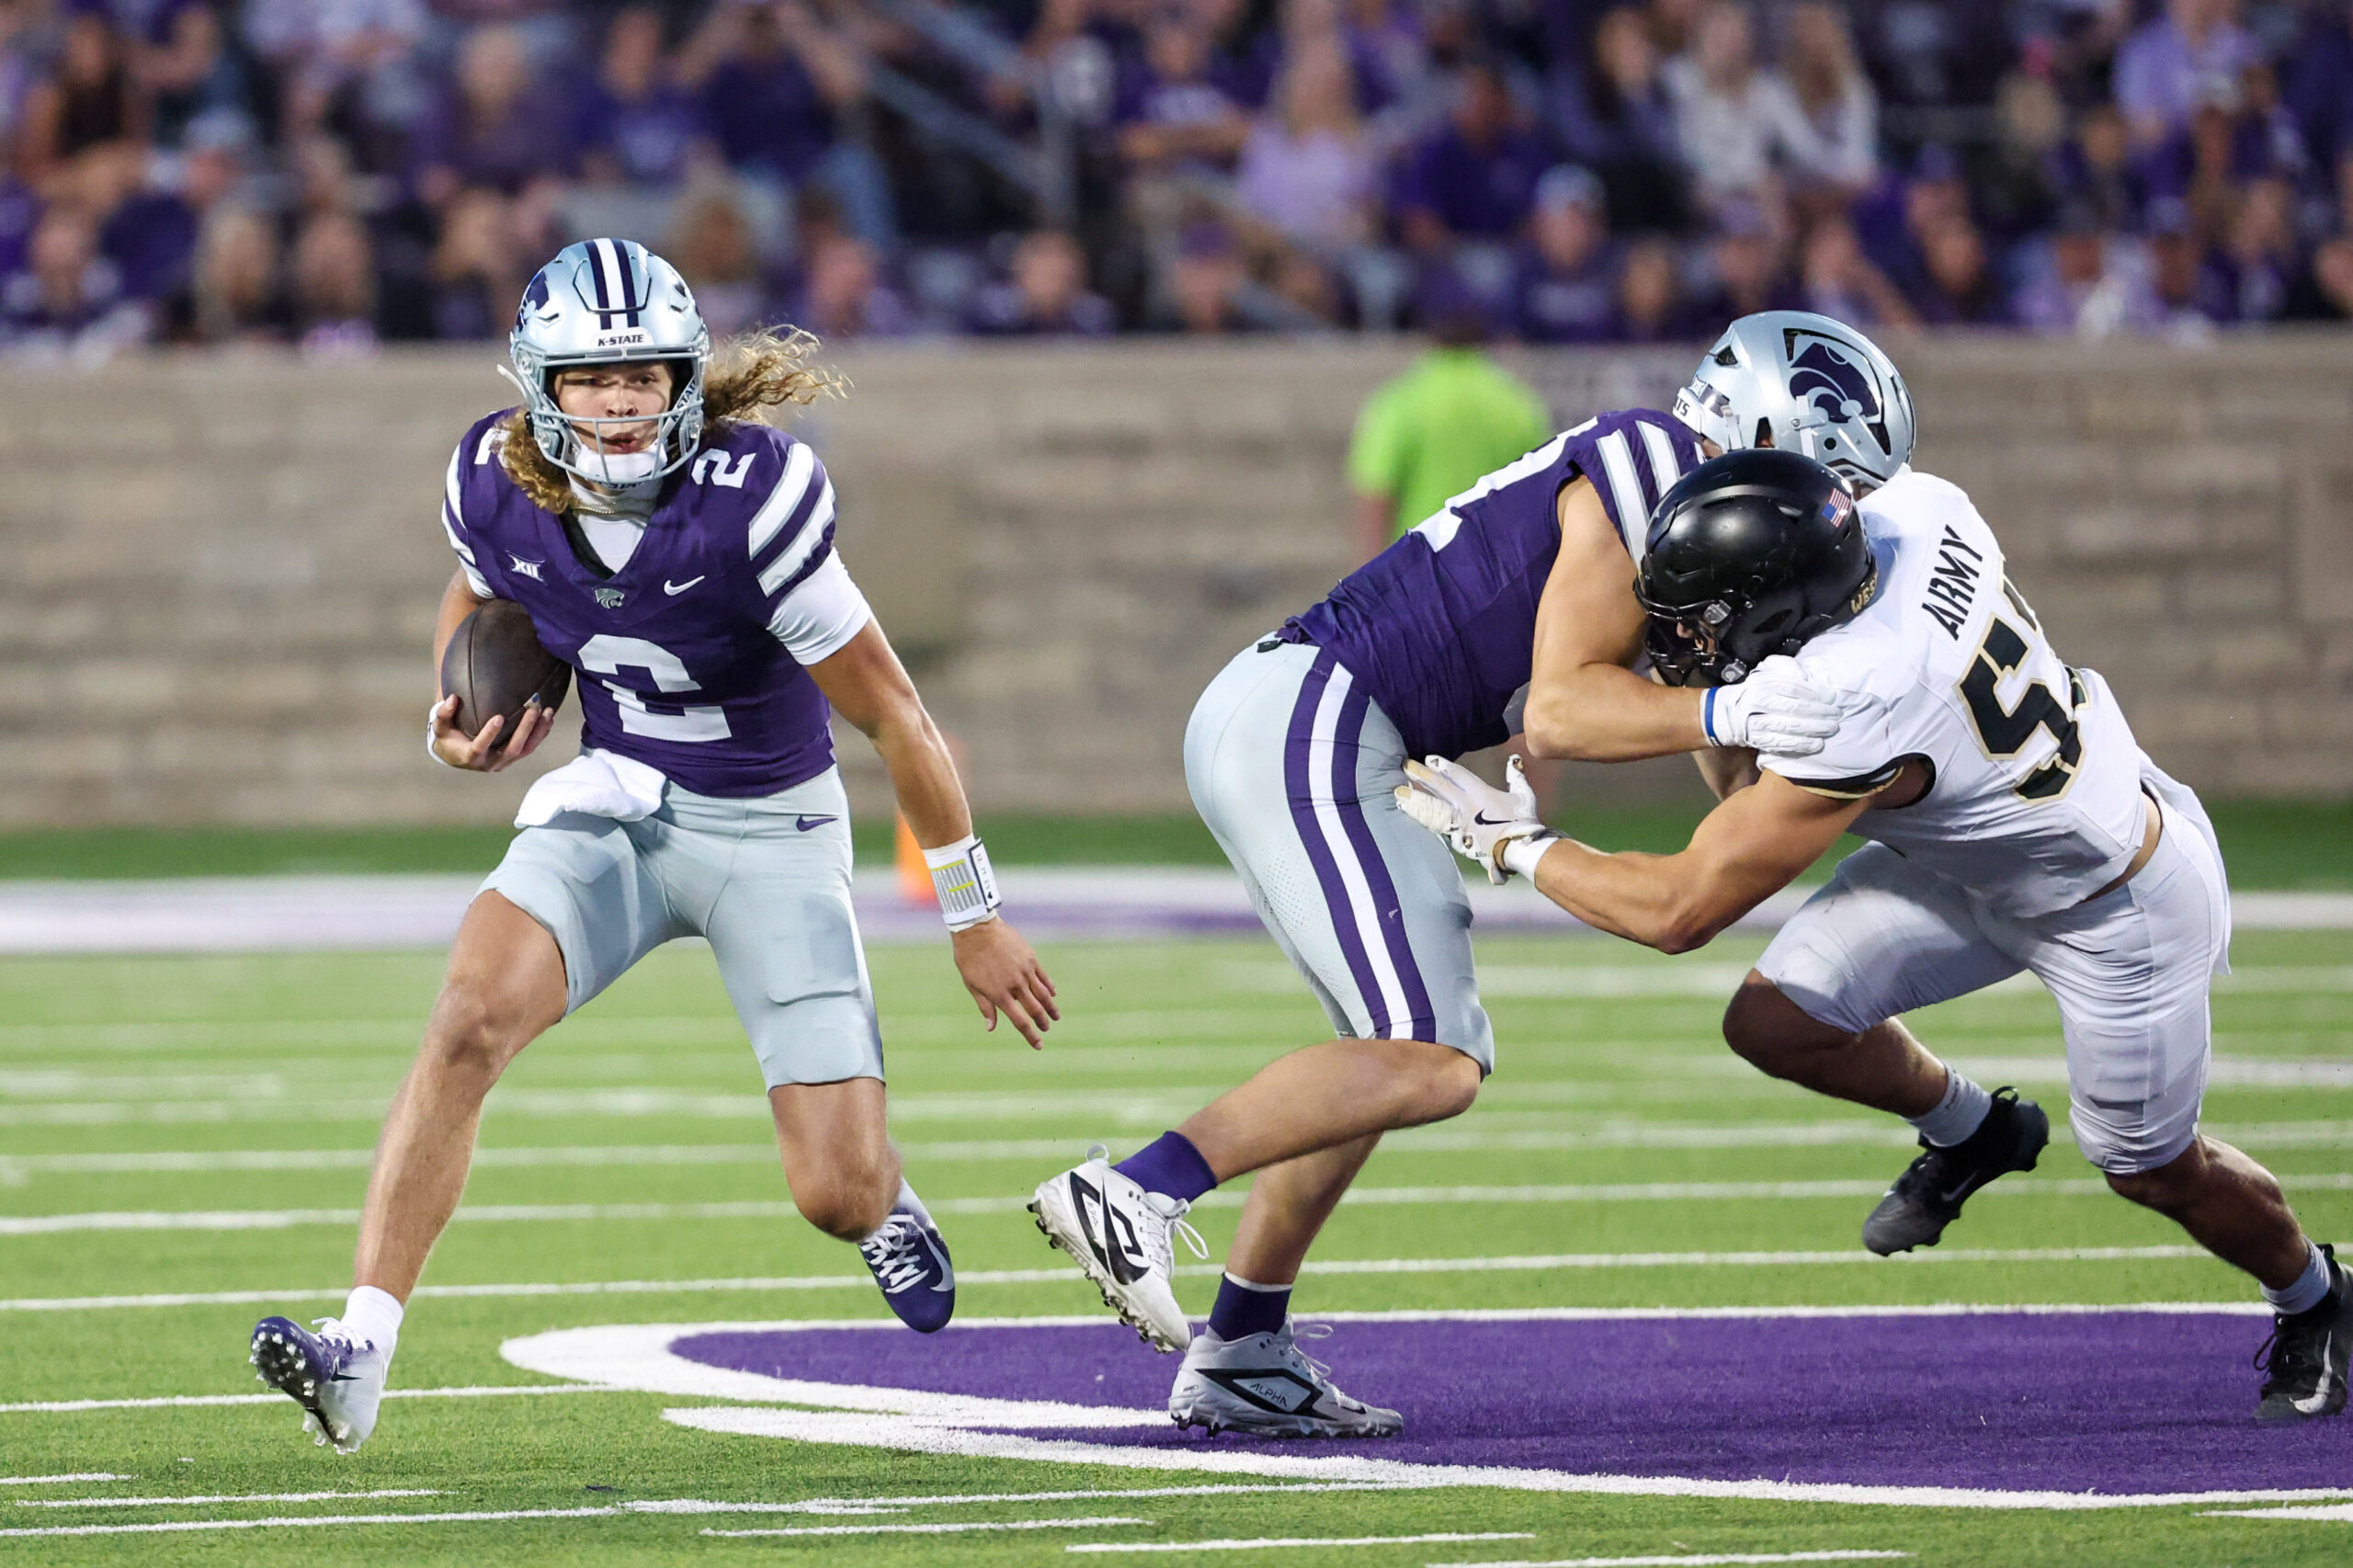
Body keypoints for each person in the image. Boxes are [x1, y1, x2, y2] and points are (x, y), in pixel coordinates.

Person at [247, 238, 1057, 1455]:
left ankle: (884, 1199)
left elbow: (897, 714)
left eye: (643, 373)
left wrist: (972, 911)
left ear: (685, 378)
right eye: (589, 378)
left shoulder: (757, 502)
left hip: (772, 825)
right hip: (619, 800)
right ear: (541, 387)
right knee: (466, 1017)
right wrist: (453, 709)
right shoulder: (490, 476)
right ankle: (360, 1346)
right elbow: (478, 596)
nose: (620, 401)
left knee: (831, 1189)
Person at [1398, 437, 2351, 1427]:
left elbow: (1678, 908)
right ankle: (1975, 1127)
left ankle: (2317, 1294)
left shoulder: (1857, 694)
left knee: (2149, 1167)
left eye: (1705, 617)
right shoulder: (1909, 513)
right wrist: (1720, 697)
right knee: (1777, 1021)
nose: (1675, 633)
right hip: (1975, 851)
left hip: (2115, 903)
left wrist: (1512, 842)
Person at [1025, 325, 1850, 1437]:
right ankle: (1137, 1187)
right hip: (1322, 715)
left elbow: (1707, 751)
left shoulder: (1678, 507)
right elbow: (1562, 708)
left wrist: (1772, 761)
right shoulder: (1658, 464)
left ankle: (1245, 1346)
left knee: (1380, 1056)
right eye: (1828, 474)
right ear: (1764, 434)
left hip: (1306, 716)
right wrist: (1732, 708)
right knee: (1434, 1057)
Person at [1344, 270, 1549, 557]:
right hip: (1496, 569)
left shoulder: (1401, 400)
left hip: (1419, 568)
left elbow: (1376, 494)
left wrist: (1370, 580)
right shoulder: (1517, 402)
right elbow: (1539, 495)